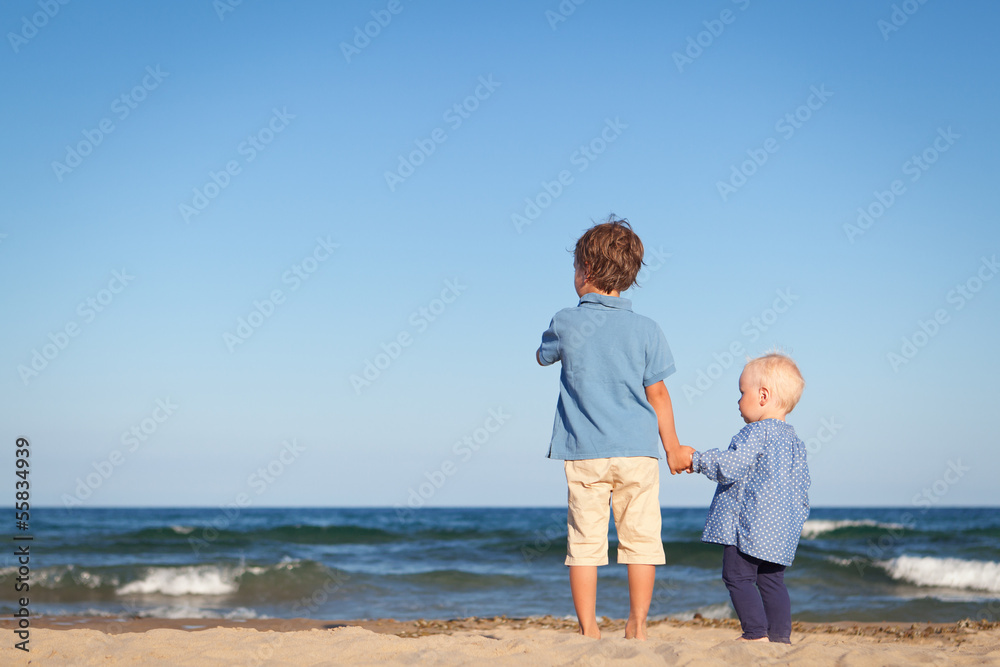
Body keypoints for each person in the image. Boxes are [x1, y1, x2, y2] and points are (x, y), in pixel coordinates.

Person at [536, 217, 691, 640]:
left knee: (584, 546)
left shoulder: (566, 320)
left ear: (585, 269)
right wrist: (673, 447)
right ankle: (637, 625)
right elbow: (659, 394)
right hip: (638, 452)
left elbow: (543, 355)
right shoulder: (647, 329)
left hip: (584, 452)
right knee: (641, 541)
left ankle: (589, 630)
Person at [686, 353, 809, 643]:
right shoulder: (796, 442)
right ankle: (779, 638)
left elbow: (730, 466)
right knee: (772, 581)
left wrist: (696, 460)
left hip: (748, 528)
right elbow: (802, 490)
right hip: (780, 532)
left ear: (763, 396)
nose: (738, 401)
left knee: (737, 577)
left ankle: (755, 633)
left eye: (742, 393)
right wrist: (793, 523)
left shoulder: (755, 432)